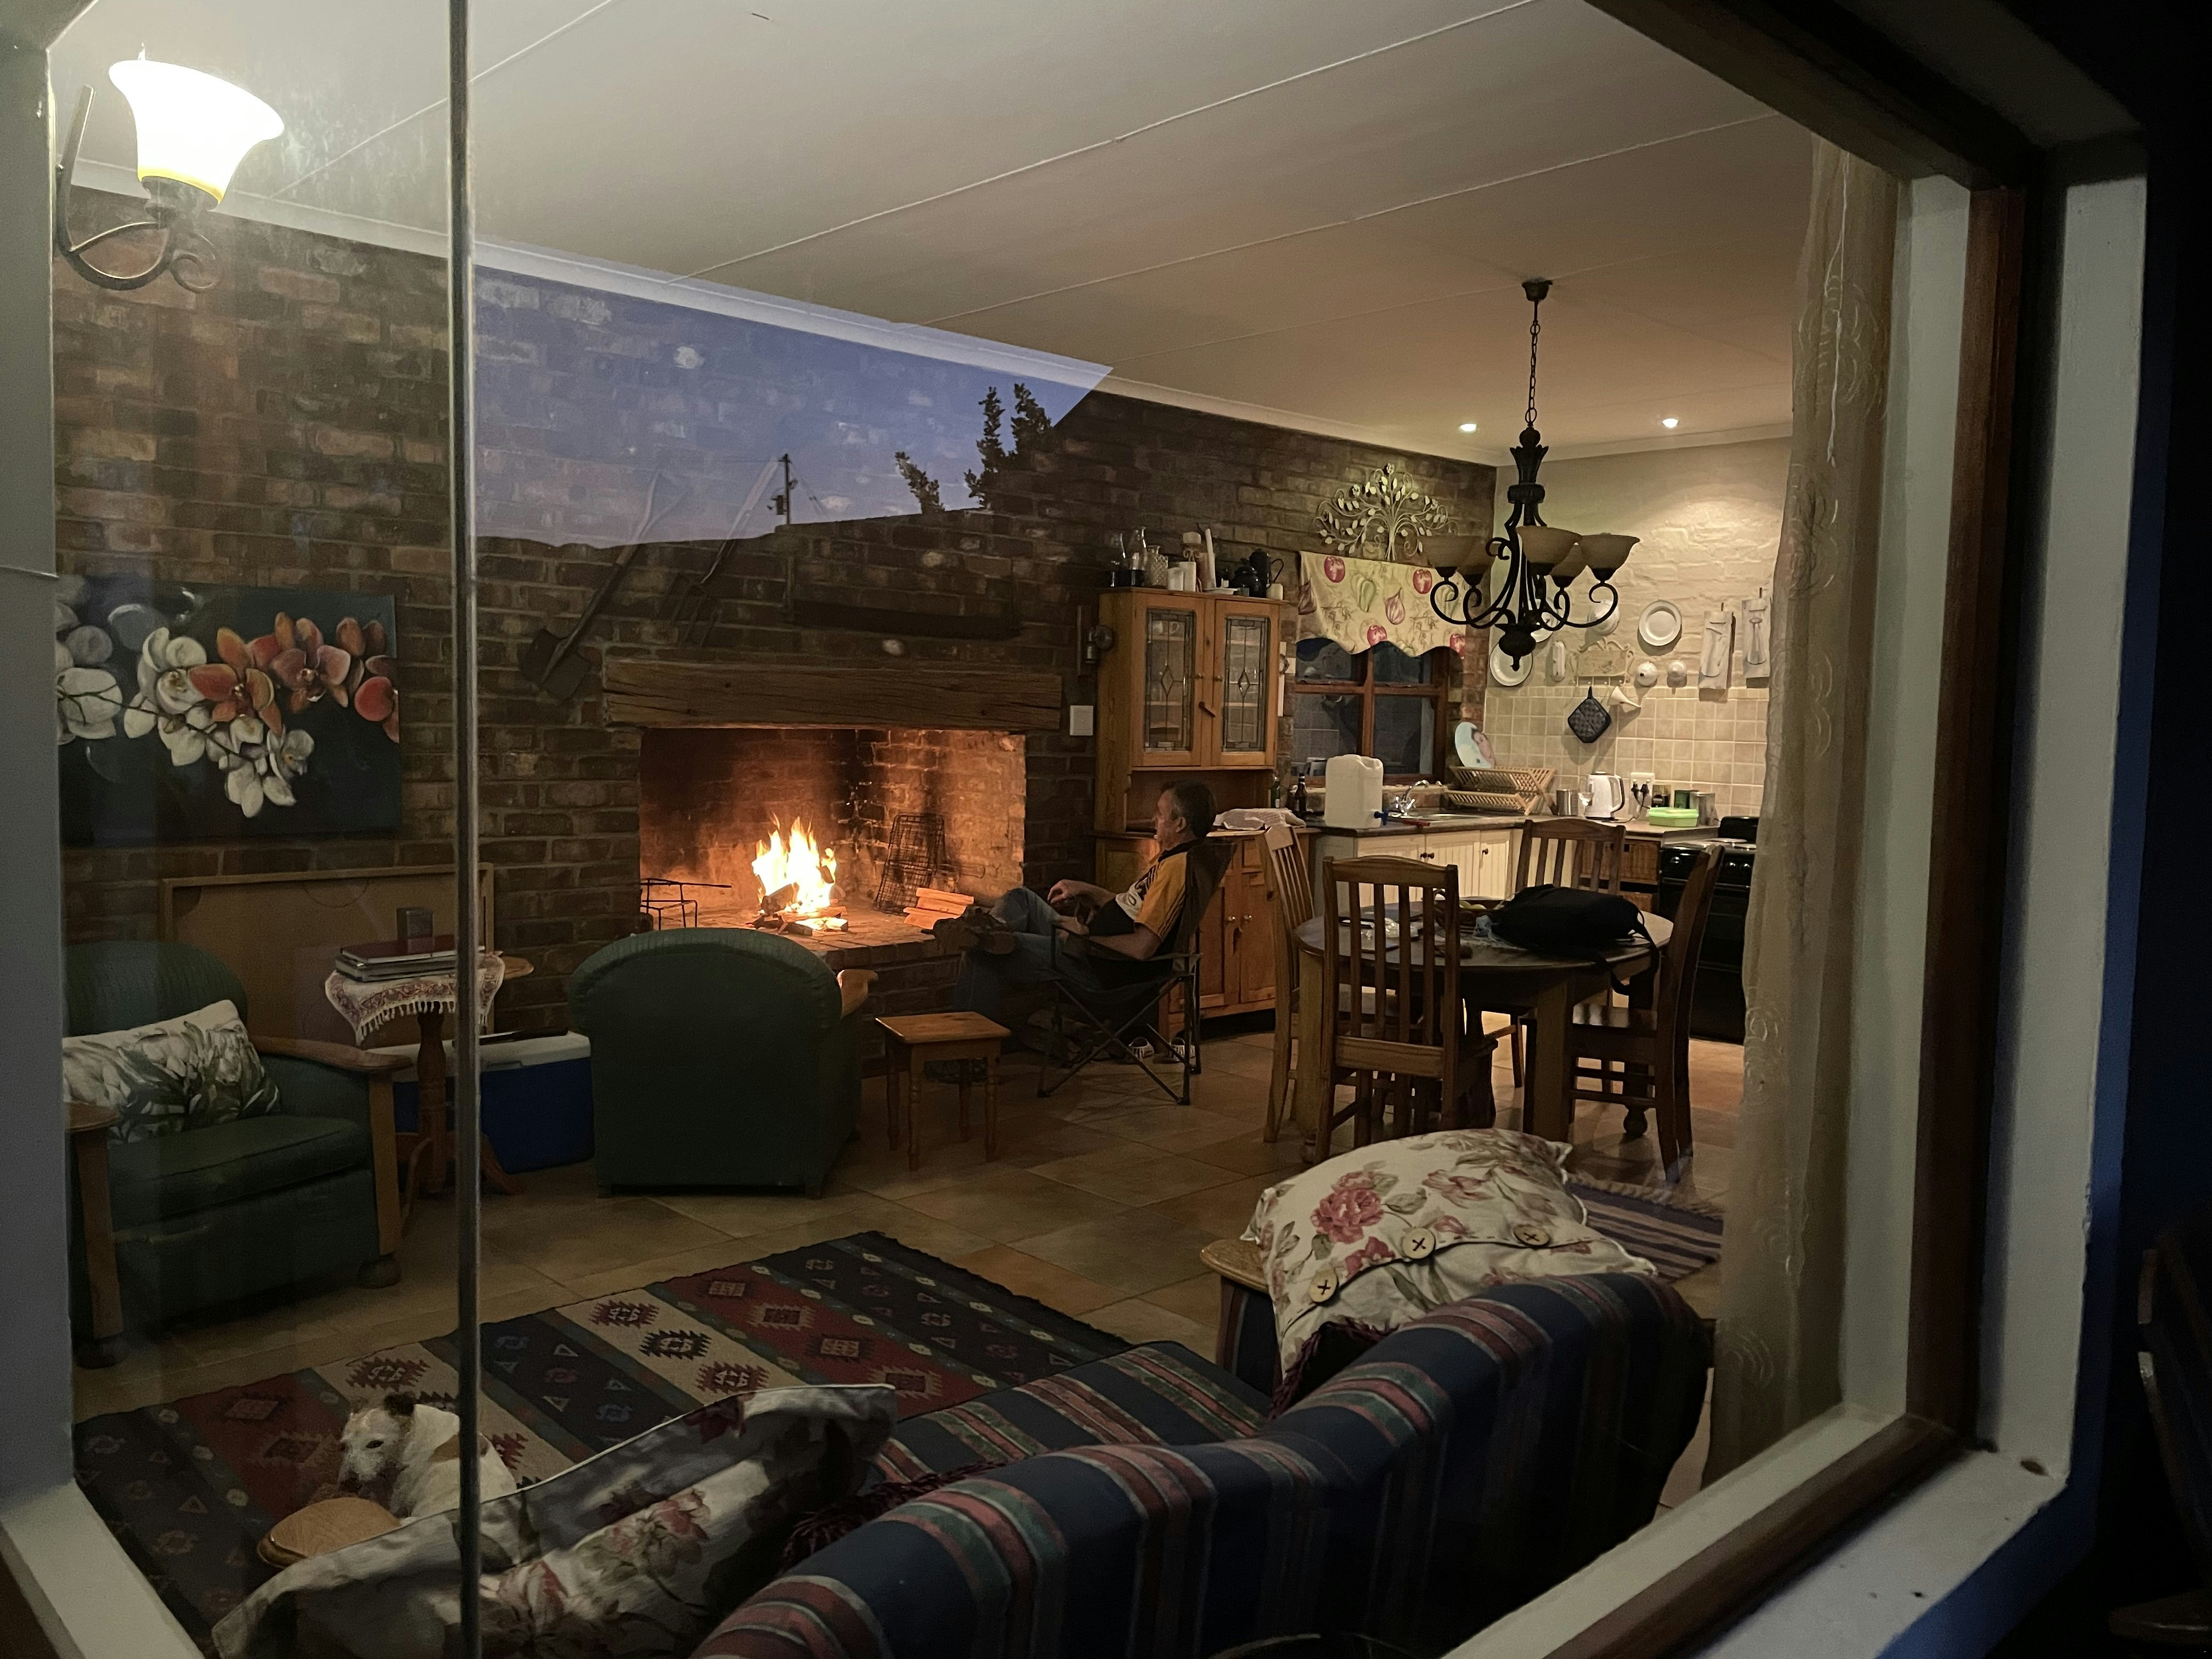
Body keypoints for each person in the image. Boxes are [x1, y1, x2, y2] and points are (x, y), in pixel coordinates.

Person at [943, 780, 1217, 1031]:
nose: (1153, 819)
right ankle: (993, 930)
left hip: (1098, 968)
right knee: (1020, 897)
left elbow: (1141, 948)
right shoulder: (1178, 859)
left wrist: (1083, 939)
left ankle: (967, 1050)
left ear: (1180, 824)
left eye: (1160, 813)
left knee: (981, 952)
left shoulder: (1176, 870)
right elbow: (1130, 906)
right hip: (1088, 948)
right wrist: (1086, 889)